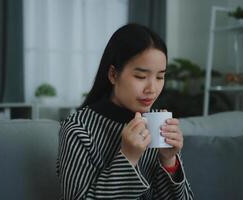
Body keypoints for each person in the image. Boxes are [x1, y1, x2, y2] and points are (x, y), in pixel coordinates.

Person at [57, 23, 194, 199]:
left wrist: (169, 162)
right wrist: (128, 157)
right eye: (141, 77)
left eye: (160, 77)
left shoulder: (157, 122)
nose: (152, 89)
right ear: (113, 74)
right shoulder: (78, 129)